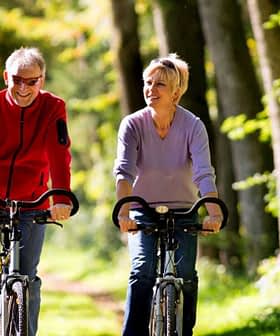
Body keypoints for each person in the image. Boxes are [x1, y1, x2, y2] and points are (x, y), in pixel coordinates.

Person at [113, 53, 223, 336]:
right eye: (147, 83)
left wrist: (213, 210)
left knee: (185, 277)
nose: (151, 89)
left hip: (184, 210)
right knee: (142, 272)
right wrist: (124, 211)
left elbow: (203, 173)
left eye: (159, 84)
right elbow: (124, 171)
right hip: (142, 209)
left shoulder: (193, 126)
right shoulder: (132, 124)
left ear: (176, 92)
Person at [0, 47, 73, 335]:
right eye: (17, 80)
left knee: (26, 278)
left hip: (33, 201)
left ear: (41, 80)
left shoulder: (53, 106)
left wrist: (61, 198)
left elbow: (59, 152)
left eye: (31, 81)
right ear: (7, 77)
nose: (23, 88)